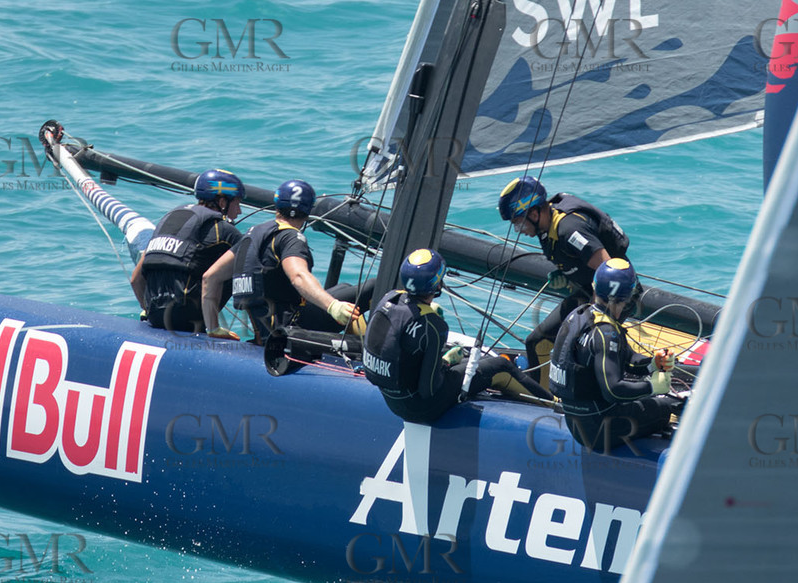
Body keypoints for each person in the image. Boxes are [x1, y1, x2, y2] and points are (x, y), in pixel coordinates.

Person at [361, 248, 552, 422]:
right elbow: (429, 389)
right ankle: (555, 406)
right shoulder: (434, 325)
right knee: (499, 366)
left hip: (392, 400)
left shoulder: (389, 299)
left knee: (464, 362)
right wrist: (445, 363)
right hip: (421, 409)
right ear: (436, 285)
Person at [497, 175, 628, 388]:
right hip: (587, 293)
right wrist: (568, 277)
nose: (520, 231)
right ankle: (543, 400)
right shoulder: (545, 227)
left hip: (612, 298)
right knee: (536, 342)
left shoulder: (570, 231)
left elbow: (610, 271)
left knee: (581, 353)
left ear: (534, 212)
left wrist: (596, 320)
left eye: (519, 223)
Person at [201, 179, 365, 342]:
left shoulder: (253, 234)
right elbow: (298, 276)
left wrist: (213, 328)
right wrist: (333, 306)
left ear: (277, 205)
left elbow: (210, 277)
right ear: (308, 210)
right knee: (369, 288)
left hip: (263, 332)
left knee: (344, 288)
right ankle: (369, 358)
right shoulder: (291, 237)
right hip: (291, 328)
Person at [550, 257, 681, 452]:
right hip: (601, 430)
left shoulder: (580, 315)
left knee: (646, 399)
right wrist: (652, 387)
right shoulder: (606, 333)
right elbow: (613, 391)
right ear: (627, 297)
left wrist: (654, 363)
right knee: (665, 407)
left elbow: (628, 360)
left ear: (595, 288)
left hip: (577, 424)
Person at [131, 168, 244, 332]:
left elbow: (136, 279)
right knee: (238, 262)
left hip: (154, 314)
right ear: (222, 202)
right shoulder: (225, 231)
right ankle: (221, 328)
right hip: (189, 319)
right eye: (237, 203)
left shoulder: (168, 219)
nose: (239, 211)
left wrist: (148, 309)